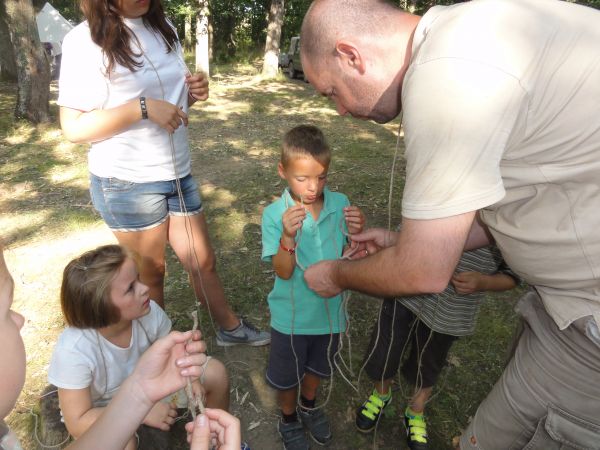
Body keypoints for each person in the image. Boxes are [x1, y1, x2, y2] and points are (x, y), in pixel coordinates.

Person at [299, 0, 600, 448]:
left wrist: (334, 274)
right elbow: (520, 191)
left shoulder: (448, 75)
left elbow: (422, 271)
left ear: (351, 56)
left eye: (331, 92)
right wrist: (406, 240)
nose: (340, 111)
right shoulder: (474, 27)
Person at [57, 0, 269, 346]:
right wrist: (141, 109)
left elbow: (172, 99)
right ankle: (159, 353)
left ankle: (229, 328)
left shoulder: (164, 27)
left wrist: (193, 94)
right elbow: (74, 128)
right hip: (126, 181)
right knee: (151, 274)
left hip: (176, 172)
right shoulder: (83, 41)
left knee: (202, 261)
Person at [0, 239, 239, 450]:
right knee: (124, 443)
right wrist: (143, 413)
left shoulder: (148, 312)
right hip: (102, 409)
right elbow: (77, 422)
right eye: (130, 288)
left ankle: (214, 439)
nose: (145, 289)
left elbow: (176, 354)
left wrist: (193, 378)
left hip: (150, 388)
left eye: (138, 279)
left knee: (216, 373)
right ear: (100, 306)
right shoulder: (74, 350)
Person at [261, 125, 365, 450]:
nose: (313, 187)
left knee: (318, 367)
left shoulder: (340, 203)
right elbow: (282, 270)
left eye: (321, 178)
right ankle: (289, 417)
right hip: (292, 319)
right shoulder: (274, 214)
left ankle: (309, 405)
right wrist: (288, 238)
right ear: (283, 171)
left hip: (330, 315)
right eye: (302, 179)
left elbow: (354, 250)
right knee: (289, 375)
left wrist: (359, 230)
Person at [356, 246, 518, 450]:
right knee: (385, 349)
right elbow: (408, 234)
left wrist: (483, 281)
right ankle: (381, 395)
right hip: (406, 289)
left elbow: (513, 275)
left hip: (449, 309)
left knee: (428, 362)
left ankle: (415, 411)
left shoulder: (510, 219)